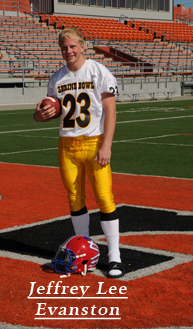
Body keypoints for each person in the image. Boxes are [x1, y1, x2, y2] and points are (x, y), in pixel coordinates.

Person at [34, 27, 125, 278]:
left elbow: (110, 110)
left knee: (105, 198)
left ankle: (115, 257)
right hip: (67, 145)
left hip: (94, 144)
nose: (68, 51)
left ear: (82, 45)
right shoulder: (57, 78)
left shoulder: (98, 70)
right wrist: (39, 115)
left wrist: (106, 145)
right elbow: (47, 112)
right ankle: (83, 251)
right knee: (74, 199)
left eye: (72, 46)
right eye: (64, 47)